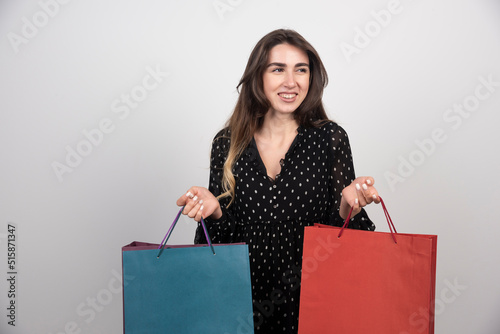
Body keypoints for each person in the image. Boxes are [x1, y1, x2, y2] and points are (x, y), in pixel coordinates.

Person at [176, 29, 379, 333]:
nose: (291, 81)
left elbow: (341, 240)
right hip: (242, 303)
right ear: (258, 76)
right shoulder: (227, 143)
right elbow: (221, 246)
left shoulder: (330, 140)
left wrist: (349, 205)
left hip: (313, 302)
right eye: (278, 69)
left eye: (301, 69)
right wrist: (214, 212)